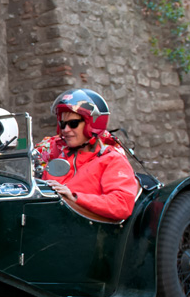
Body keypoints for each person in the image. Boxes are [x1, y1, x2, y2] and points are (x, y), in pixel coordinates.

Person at [35, 88, 138, 221]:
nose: (66, 130)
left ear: (93, 123)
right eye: (62, 124)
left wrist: (74, 197)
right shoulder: (57, 155)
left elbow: (122, 204)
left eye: (73, 124)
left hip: (87, 233)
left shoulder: (112, 159)